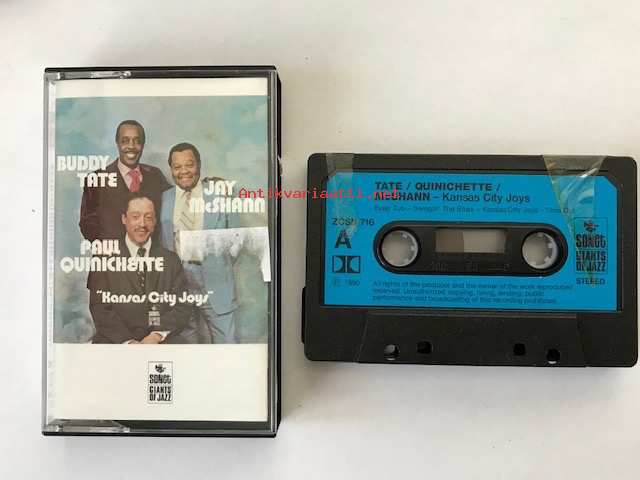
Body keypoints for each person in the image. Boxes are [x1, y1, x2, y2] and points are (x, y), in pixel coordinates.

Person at [159, 142, 238, 343]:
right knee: (186, 346)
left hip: (215, 283)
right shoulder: (163, 199)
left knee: (227, 347)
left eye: (189, 164)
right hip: (178, 285)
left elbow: (235, 243)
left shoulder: (221, 193)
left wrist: (217, 265)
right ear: (171, 169)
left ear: (199, 165)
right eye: (177, 167)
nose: (184, 171)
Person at [89, 194, 192, 344]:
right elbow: (100, 309)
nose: (142, 224)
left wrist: (156, 335)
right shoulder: (103, 257)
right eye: (135, 217)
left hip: (159, 339)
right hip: (116, 340)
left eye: (148, 217)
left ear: (155, 221)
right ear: (124, 219)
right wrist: (129, 342)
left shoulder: (171, 260)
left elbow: (182, 307)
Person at [79, 120, 171, 241]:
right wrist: (116, 249)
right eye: (125, 141)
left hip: (150, 252)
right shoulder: (96, 178)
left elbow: (175, 203)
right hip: (112, 252)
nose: (131, 146)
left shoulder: (155, 175)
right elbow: (87, 225)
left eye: (137, 141)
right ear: (117, 142)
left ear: (143, 144)